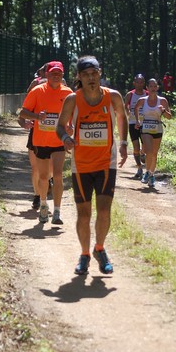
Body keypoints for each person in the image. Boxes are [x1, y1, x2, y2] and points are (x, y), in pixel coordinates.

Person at [56, 56, 128, 276]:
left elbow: (122, 117)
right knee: (84, 214)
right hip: (81, 165)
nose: (91, 78)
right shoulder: (72, 100)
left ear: (100, 73)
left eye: (94, 73)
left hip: (107, 163)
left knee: (104, 210)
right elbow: (60, 127)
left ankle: (100, 249)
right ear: (79, 77)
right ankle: (85, 254)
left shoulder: (113, 96)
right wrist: (65, 139)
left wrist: (124, 143)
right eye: (85, 75)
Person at [19, 61, 72, 224]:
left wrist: (71, 128)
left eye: (59, 73)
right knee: (43, 176)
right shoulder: (37, 91)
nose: (56, 76)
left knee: (57, 175)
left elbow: (74, 115)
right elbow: (23, 112)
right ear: (47, 75)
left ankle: (57, 211)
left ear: (62, 75)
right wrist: (37, 117)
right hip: (40, 141)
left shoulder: (68, 93)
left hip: (58, 141)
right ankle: (43, 205)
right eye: (53, 73)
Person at [134, 78, 171, 188]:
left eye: (155, 86)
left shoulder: (163, 100)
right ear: (147, 88)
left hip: (158, 129)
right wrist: (137, 121)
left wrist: (163, 110)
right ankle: (146, 173)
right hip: (145, 128)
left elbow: (169, 117)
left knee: (154, 154)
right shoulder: (142, 100)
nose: (153, 88)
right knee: (149, 152)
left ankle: (151, 174)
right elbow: (136, 108)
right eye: (151, 86)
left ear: (157, 87)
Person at [124, 74, 148, 178]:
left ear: (144, 83)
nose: (140, 84)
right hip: (133, 123)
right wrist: (128, 112)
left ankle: (143, 153)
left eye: (141, 82)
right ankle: (139, 168)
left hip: (145, 123)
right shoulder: (130, 94)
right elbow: (125, 107)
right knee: (135, 146)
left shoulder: (147, 94)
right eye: (137, 82)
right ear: (134, 83)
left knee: (145, 146)